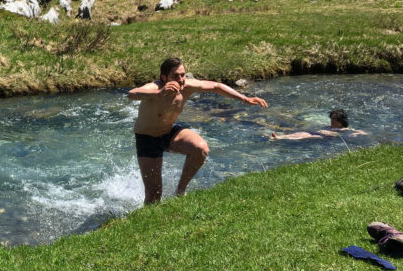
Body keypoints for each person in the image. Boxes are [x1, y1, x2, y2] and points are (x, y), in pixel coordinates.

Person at [128, 57, 268, 205]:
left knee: (200, 149)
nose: (181, 79)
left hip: (169, 133)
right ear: (164, 77)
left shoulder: (187, 86)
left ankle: (180, 192)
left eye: (183, 74)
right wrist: (160, 93)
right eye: (176, 76)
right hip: (147, 139)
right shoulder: (154, 88)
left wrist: (245, 98)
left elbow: (216, 86)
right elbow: (131, 94)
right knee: (154, 195)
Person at [270, 108, 366, 140]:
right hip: (318, 133)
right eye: (331, 118)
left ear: (341, 122)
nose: (332, 121)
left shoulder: (344, 129)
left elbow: (357, 131)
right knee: (302, 133)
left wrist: (359, 133)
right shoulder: (329, 126)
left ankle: (279, 138)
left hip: (324, 138)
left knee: (305, 136)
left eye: (334, 119)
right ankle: (280, 137)